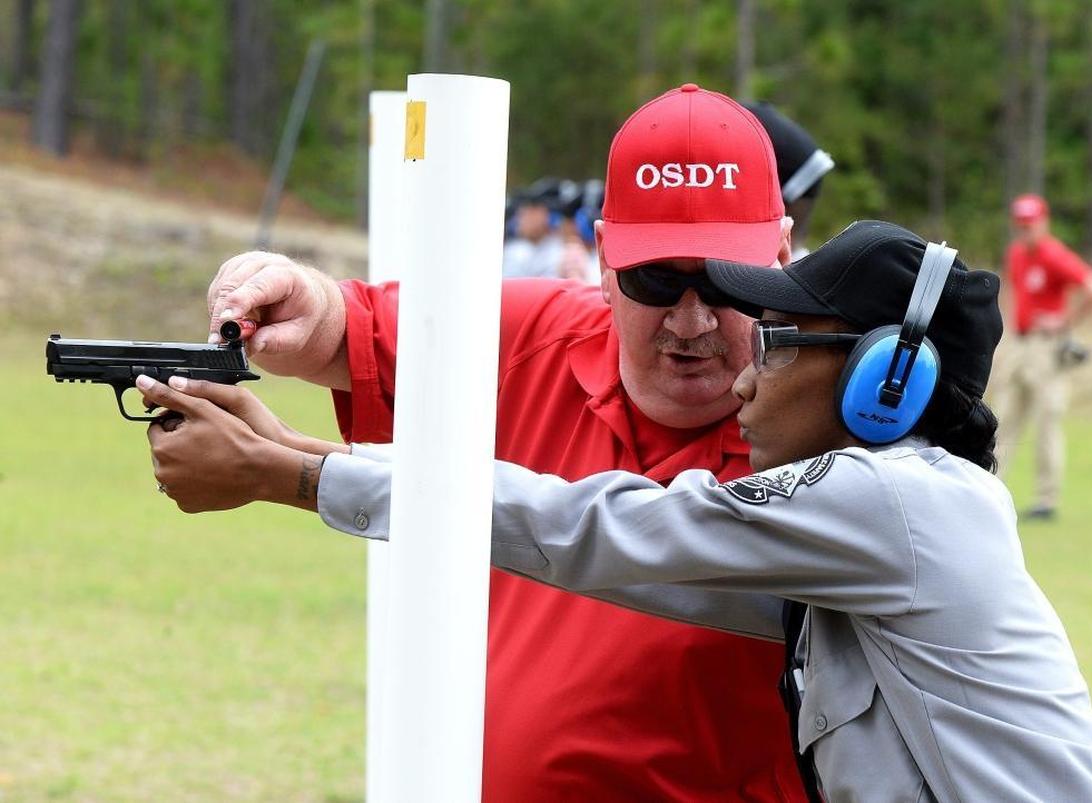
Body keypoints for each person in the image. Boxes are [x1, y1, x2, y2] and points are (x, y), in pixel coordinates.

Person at [137, 221, 1092, 801]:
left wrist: (289, 478)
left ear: (883, 378)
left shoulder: (890, 497)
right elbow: (642, 558)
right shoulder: (885, 524)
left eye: (774, 340)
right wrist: (289, 452)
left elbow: (603, 529)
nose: (743, 369)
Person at [167, 84, 810, 800]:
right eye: (656, 279)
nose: (690, 321)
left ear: (783, 256)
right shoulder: (524, 336)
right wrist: (286, 293)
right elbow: (343, 327)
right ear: (602, 261)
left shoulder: (829, 429)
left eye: (727, 281)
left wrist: (287, 468)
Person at [990, 193, 1092, 520]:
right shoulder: (1015, 254)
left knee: (1046, 421)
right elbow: (1017, 296)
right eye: (1020, 225)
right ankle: (990, 488)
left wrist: (1065, 321)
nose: (1025, 231)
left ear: (1043, 222)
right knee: (1003, 419)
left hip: (1047, 346)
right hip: (1020, 343)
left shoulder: (1053, 254)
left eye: (1030, 224)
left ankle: (1046, 500)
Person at [743, 101, 834, 260]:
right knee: (792, 239)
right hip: (805, 155)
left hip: (793, 160)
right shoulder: (730, 110)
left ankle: (796, 267)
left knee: (787, 241)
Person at [501, 177, 566, 278]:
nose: (521, 216)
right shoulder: (516, 249)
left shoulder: (562, 254)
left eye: (531, 210)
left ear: (546, 215)